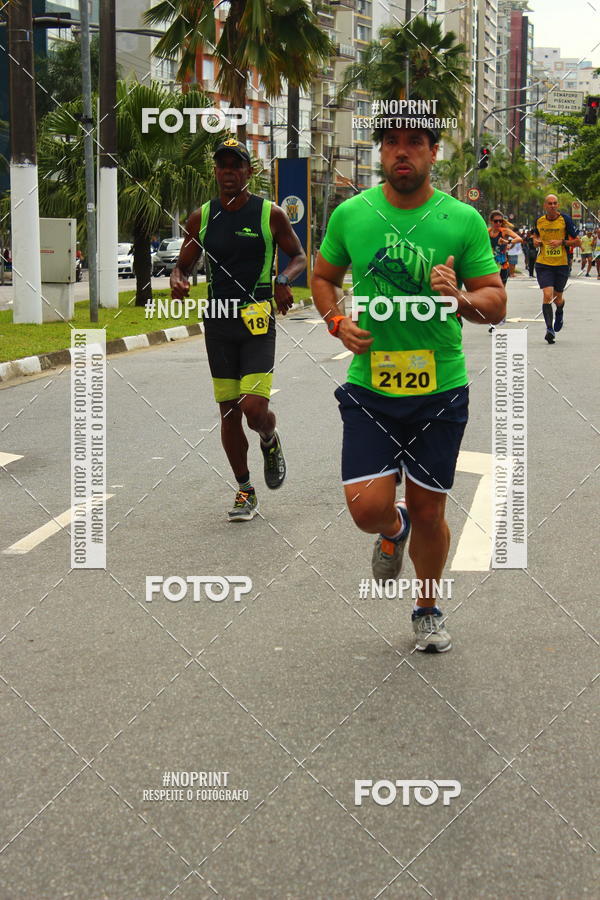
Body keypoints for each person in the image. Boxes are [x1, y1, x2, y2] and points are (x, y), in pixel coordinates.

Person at [311, 123, 505, 653]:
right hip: (370, 389)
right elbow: (322, 275)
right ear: (380, 152)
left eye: (415, 142)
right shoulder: (352, 215)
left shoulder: (460, 219)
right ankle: (390, 529)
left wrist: (460, 297)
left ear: (433, 152)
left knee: (430, 511)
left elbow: (495, 301)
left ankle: (427, 607)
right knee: (365, 509)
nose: (403, 151)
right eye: (392, 142)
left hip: (439, 390)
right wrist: (335, 321)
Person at [170, 138, 306, 521]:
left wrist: (284, 279)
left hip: (257, 319)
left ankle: (268, 436)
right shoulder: (202, 217)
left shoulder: (271, 214)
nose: (228, 171)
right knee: (229, 412)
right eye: (222, 165)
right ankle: (245, 489)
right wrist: (178, 279)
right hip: (218, 321)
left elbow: (298, 255)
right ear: (215, 171)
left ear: (248, 171)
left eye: (236, 165)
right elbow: (184, 263)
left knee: (253, 407)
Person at [533, 194, 580, 344]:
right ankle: (549, 329)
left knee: (557, 299)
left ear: (557, 205)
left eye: (555, 203)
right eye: (550, 203)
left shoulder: (565, 220)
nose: (553, 206)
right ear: (545, 206)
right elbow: (535, 236)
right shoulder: (539, 221)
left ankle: (559, 312)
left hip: (561, 264)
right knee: (547, 295)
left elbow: (577, 242)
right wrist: (536, 241)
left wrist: (562, 242)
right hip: (543, 263)